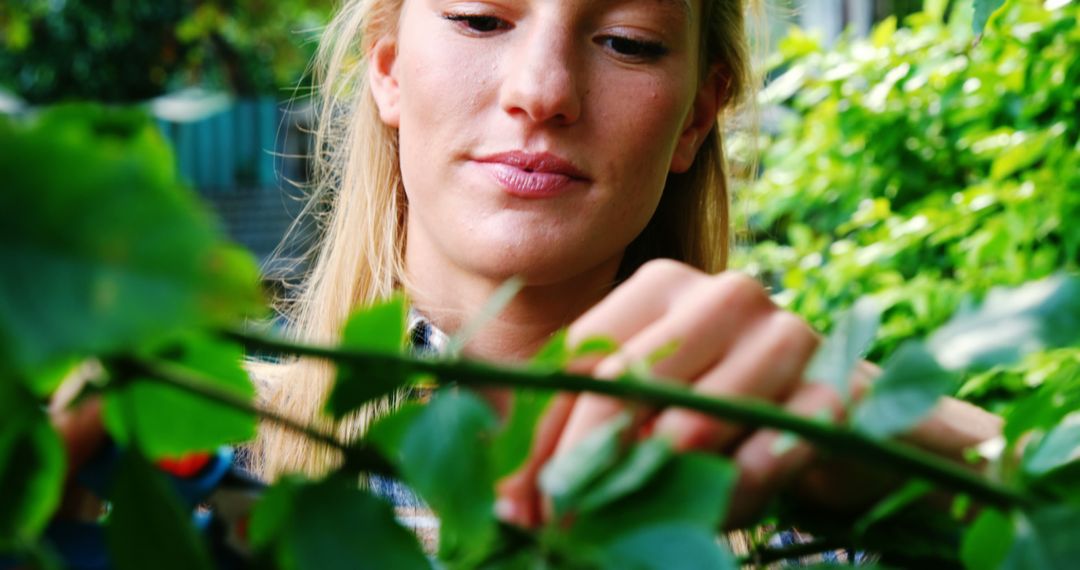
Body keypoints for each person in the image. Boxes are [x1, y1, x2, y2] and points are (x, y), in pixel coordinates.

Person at [50, 0, 1001, 559]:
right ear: (386, 70)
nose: (541, 91)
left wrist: (955, 478)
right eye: (478, 16)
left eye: (627, 40)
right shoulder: (178, 463)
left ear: (698, 117)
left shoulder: (823, 491)